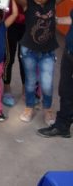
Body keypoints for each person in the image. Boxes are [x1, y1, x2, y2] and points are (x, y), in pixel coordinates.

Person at [11, 0, 73, 126]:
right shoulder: (28, 4)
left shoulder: (53, 2)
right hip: (28, 50)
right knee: (30, 81)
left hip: (47, 52)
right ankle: (30, 106)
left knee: (47, 83)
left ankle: (48, 109)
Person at [37, 10, 73, 138]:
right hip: (69, 53)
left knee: (68, 92)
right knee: (65, 91)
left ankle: (62, 125)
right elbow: (71, 18)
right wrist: (54, 20)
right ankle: (63, 125)